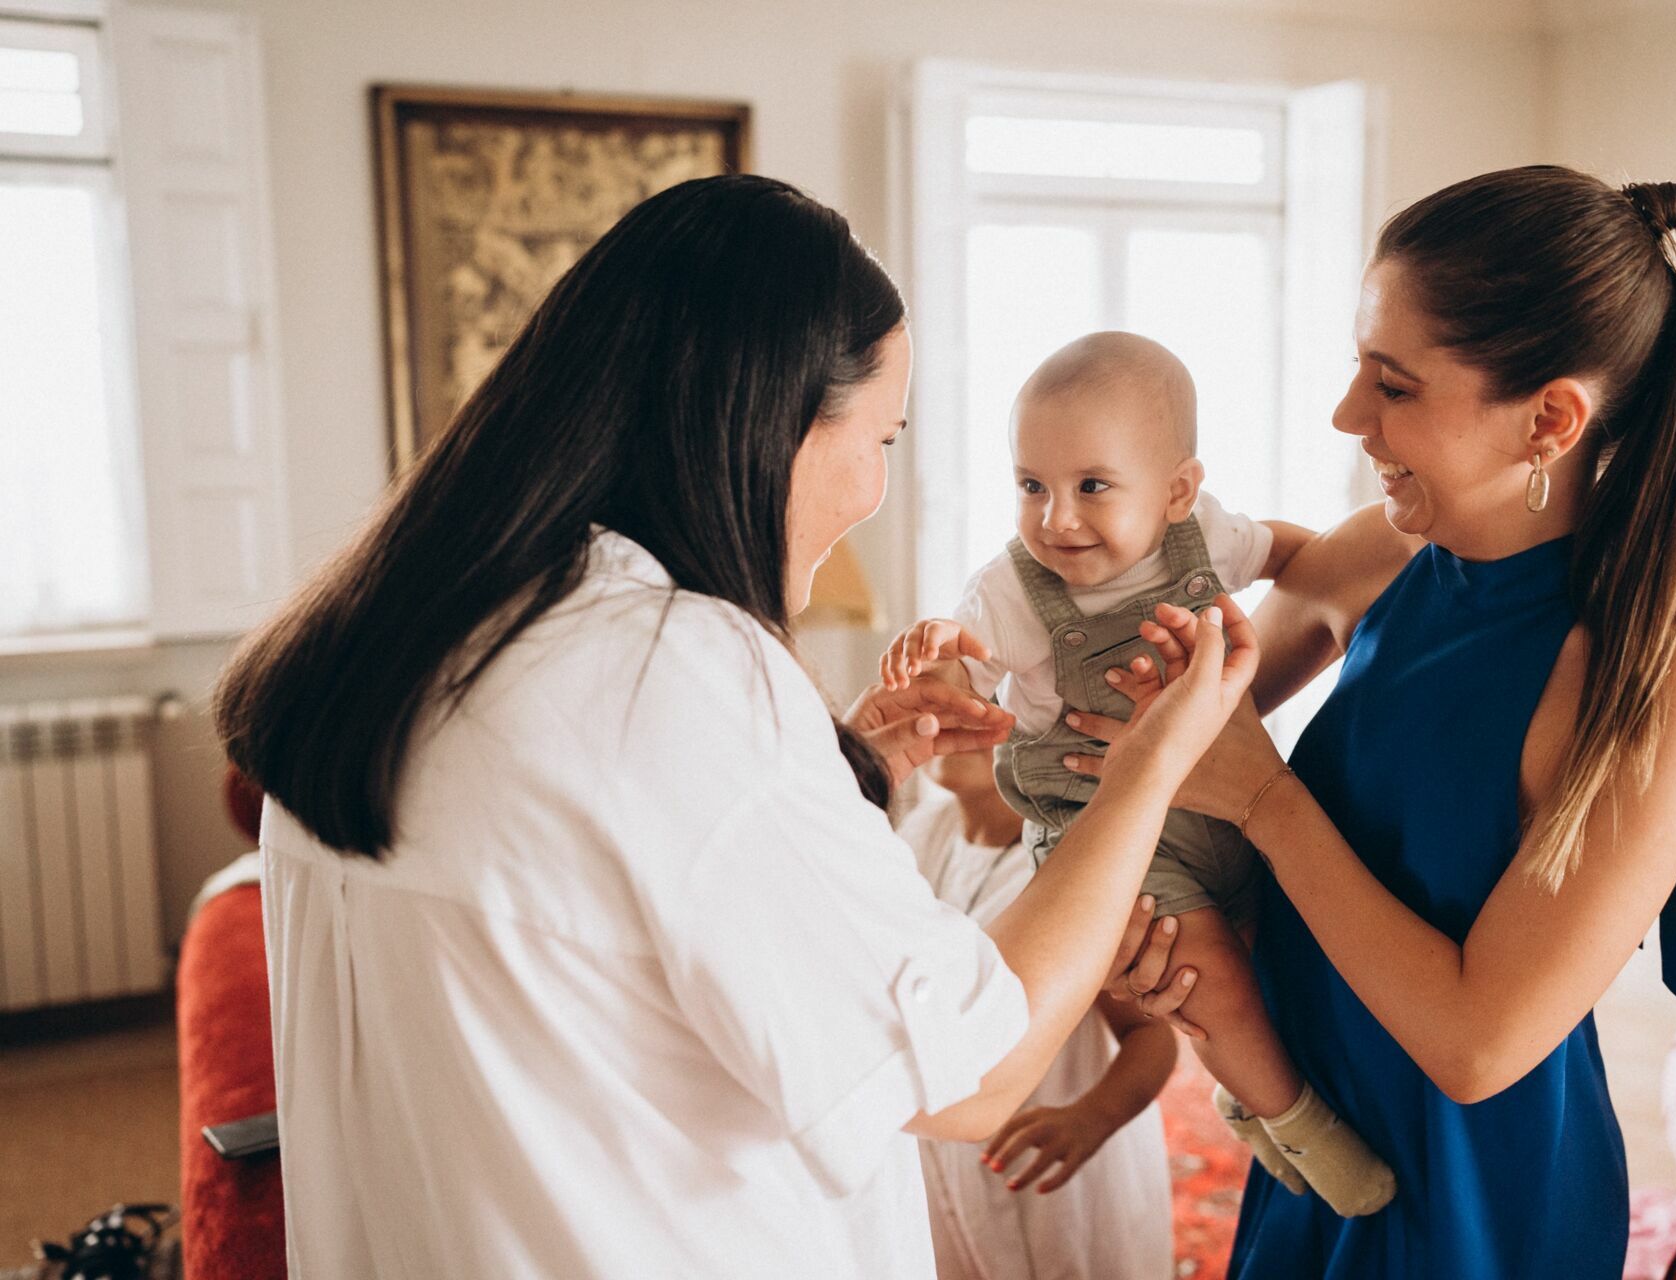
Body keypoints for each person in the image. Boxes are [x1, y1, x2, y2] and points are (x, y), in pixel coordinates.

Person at [212, 174, 1255, 1278]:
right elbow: (972, 1069)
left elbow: (606, 897)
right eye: (885, 438)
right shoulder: (673, 669)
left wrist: (834, 770)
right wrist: (1146, 768)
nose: (875, 485)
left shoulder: (398, 626)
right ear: (780, 427)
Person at [1073, 166, 1676, 1278]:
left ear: (1551, 418)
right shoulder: (1389, 554)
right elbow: (1168, 731)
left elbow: (1480, 1043)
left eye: (1393, 384)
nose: (1348, 415)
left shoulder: (1667, 679)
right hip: (1311, 1128)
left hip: (1479, 1193)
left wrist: (1261, 796)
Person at [882, 332, 1395, 1216]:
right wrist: (934, 663)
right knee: (1204, 979)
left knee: (1289, 944)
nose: (1057, 519)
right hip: (1107, 831)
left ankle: (1246, 1095)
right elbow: (963, 673)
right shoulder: (1010, 591)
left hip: (1227, 800)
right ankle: (1293, 1116)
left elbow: (1287, 555)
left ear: (1177, 491)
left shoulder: (1203, 539)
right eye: (1031, 485)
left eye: (1091, 486)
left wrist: (1372, 602)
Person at [902, 743, 1177, 1280]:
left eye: (985, 696)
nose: (957, 715)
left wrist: (1092, 1117)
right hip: (944, 1164)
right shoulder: (918, 834)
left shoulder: (1072, 863)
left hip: (1055, 1167)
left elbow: (1152, 1036)